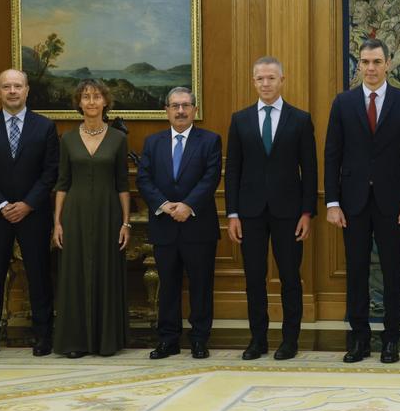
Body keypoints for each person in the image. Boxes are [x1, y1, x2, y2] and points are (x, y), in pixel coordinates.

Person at [324, 38, 400, 364]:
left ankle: (391, 339)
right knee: (356, 272)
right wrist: (332, 203)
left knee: (393, 272)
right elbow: (331, 156)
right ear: (360, 65)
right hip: (352, 204)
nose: (370, 68)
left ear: (388, 63)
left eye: (377, 62)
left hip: (393, 204)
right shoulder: (343, 103)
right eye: (365, 62)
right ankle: (359, 340)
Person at [225, 56, 318, 361]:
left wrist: (307, 213)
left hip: (289, 213)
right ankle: (258, 340)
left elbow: (310, 170)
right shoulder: (240, 120)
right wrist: (233, 214)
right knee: (254, 278)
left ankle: (290, 340)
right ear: (254, 82)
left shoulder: (300, 119)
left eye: (271, 78)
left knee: (290, 278)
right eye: (260, 79)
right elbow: (234, 170)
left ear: (282, 80)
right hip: (249, 213)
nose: (265, 84)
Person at [0, 69, 59, 358]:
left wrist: (28, 204)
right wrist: (2, 205)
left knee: (39, 275)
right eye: (6, 86)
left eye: (17, 86)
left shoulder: (45, 127)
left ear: (27, 90)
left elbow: (51, 171)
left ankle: (43, 335)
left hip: (34, 214)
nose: (12, 91)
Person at [136, 87, 222, 360]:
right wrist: (164, 205)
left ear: (195, 109)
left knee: (200, 286)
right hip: (164, 225)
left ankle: (199, 339)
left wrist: (187, 205)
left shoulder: (210, 140)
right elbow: (144, 179)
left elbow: (210, 178)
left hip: (198, 226)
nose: (181, 111)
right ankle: (168, 340)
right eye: (175, 106)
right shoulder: (153, 142)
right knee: (168, 286)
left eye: (186, 105)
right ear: (167, 110)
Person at [52, 79, 131, 358]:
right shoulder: (68, 139)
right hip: (74, 216)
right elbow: (62, 183)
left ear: (105, 102)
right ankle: (75, 342)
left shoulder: (118, 139)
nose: (91, 102)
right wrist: (57, 223)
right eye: (86, 97)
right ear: (79, 103)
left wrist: (125, 223)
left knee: (106, 274)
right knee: (74, 276)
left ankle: (105, 341)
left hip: (109, 215)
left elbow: (123, 185)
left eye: (97, 97)